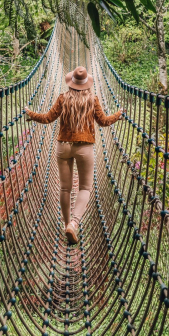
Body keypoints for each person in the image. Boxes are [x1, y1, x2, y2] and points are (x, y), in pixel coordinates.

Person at [25, 66, 123, 244]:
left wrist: (31, 113)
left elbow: (47, 118)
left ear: (71, 83)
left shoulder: (63, 98)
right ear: (87, 83)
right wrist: (118, 115)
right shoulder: (92, 99)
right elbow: (104, 122)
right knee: (85, 188)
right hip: (84, 148)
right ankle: (74, 223)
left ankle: (66, 224)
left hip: (63, 147)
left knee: (65, 188)